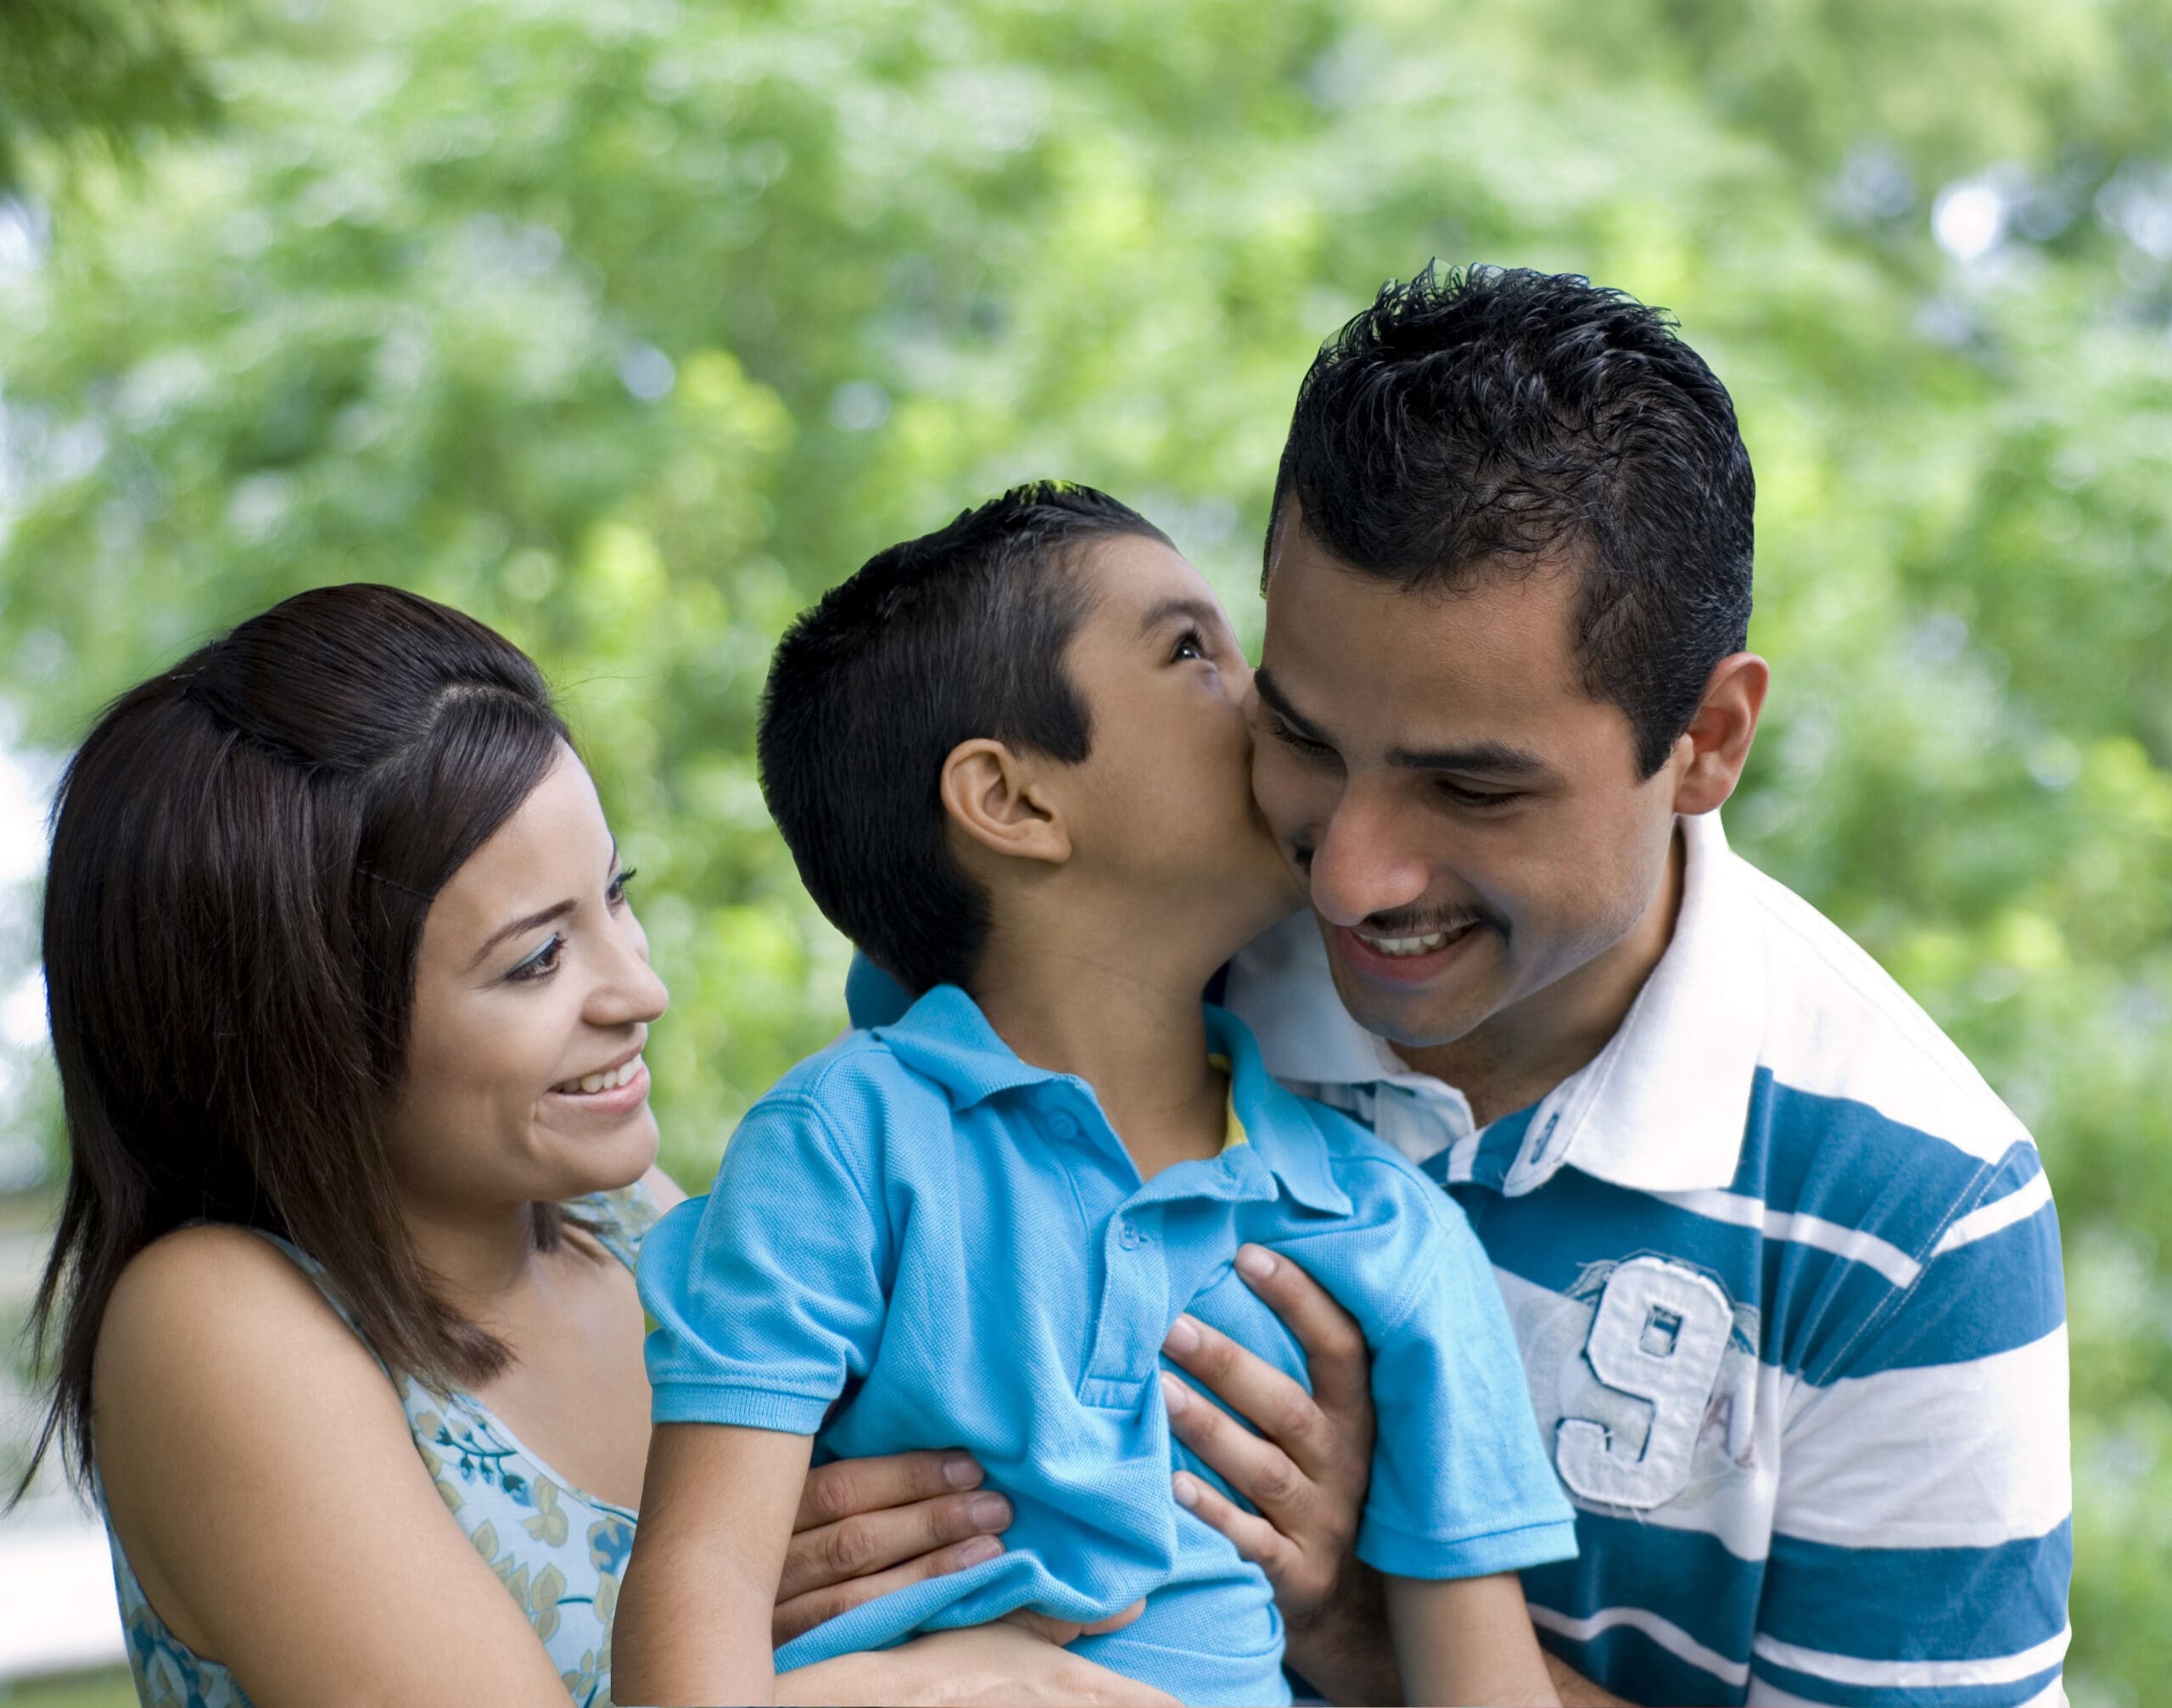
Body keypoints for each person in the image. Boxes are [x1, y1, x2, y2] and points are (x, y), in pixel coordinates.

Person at [837, 266, 2072, 1708]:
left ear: (1709, 740)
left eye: (1472, 785)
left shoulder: (1913, 1210)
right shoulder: (1095, 952)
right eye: (1302, 737)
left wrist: (1383, 1625)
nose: (1353, 878)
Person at [19, 582, 1179, 1708]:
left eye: (613, 897)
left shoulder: (631, 1229)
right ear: (302, 1034)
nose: (642, 988)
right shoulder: (216, 1318)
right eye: (535, 959)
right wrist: (897, 1678)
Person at [613, 484, 1580, 1707]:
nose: (1269, 696)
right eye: (1191, 651)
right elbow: (700, 1572)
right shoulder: (840, 1149)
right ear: (1013, 800)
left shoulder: (1388, 1228)